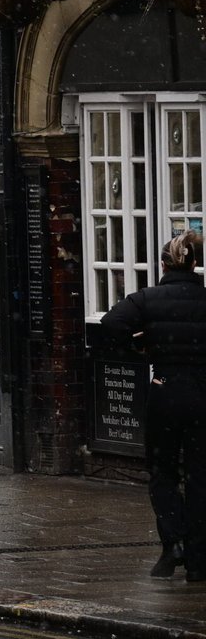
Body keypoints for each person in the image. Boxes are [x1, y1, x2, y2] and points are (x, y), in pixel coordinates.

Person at [101, 231, 206, 582]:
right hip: (202, 395)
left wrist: (138, 348)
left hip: (164, 392)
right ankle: (198, 560)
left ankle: (172, 543)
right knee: (199, 477)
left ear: (162, 265)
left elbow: (110, 323)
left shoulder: (147, 298)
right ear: (194, 263)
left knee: (162, 473)